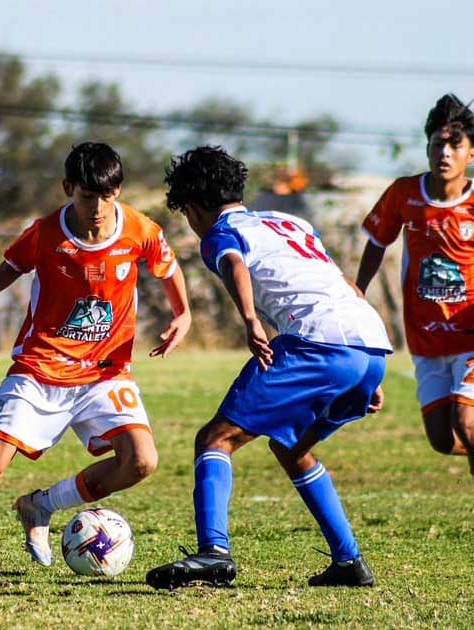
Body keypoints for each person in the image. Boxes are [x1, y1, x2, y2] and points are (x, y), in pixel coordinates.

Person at [0, 142, 192, 571]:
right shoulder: (48, 232)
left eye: (106, 196)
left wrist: (182, 314)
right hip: (39, 370)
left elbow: (167, 266)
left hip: (105, 373)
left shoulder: (139, 230)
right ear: (68, 188)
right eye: (87, 196)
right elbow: (13, 264)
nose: (97, 207)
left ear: (119, 191)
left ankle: (41, 506)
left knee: (142, 460)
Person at [146, 146, 392, 591]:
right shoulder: (290, 222)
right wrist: (368, 366)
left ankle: (214, 552)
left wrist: (250, 320)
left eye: (186, 211)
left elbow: (235, 264)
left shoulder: (220, 231)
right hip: (367, 341)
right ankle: (349, 562)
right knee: (291, 446)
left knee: (214, 438)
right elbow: (344, 284)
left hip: (317, 342)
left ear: (194, 206)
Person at [355, 94, 474, 533]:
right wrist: (359, 288)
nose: (443, 152)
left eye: (454, 144)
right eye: (436, 143)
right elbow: (377, 241)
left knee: (467, 422)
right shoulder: (404, 195)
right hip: (426, 337)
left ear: (472, 152)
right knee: (443, 441)